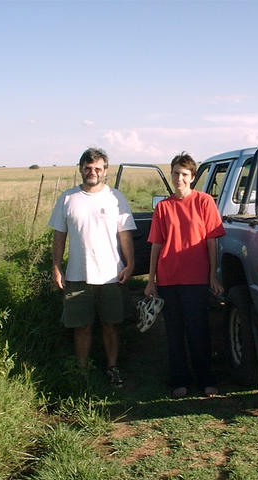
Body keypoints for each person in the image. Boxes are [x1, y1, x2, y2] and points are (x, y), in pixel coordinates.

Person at [48, 147, 136, 388]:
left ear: (105, 171)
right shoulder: (68, 198)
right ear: (81, 169)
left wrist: (130, 264)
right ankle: (82, 371)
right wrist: (56, 266)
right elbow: (58, 236)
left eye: (98, 168)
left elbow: (125, 235)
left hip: (111, 275)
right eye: (88, 168)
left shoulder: (116, 198)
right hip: (78, 275)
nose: (92, 172)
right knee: (81, 326)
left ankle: (112, 368)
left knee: (111, 325)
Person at [144, 152, 225, 398]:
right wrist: (150, 280)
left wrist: (212, 275)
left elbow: (212, 241)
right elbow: (156, 244)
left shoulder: (204, 202)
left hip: (196, 278)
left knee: (198, 330)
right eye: (176, 173)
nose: (179, 178)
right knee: (174, 332)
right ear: (171, 175)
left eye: (184, 174)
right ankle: (179, 380)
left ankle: (206, 379)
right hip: (168, 278)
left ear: (192, 177)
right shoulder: (163, 207)